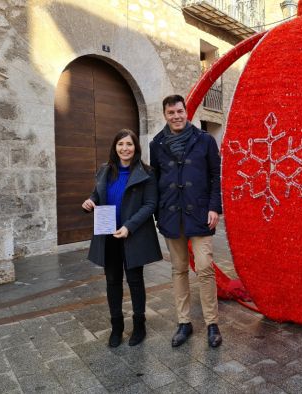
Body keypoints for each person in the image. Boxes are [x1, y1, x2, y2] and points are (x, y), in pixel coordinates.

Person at [150, 94, 223, 348]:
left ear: (186, 112)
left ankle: (212, 323)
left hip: (200, 214)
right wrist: (159, 214)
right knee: (178, 269)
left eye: (180, 111)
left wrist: (214, 207)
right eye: (171, 113)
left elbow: (216, 176)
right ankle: (184, 322)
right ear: (165, 115)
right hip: (171, 215)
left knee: (204, 267)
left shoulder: (204, 140)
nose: (176, 116)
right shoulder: (156, 143)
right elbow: (155, 180)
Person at [83, 129, 162, 348]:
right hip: (109, 234)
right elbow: (97, 194)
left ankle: (139, 325)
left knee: (135, 281)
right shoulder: (105, 171)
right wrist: (90, 201)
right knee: (112, 282)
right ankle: (116, 328)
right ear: (115, 147)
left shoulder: (147, 172)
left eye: (129, 144)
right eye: (120, 144)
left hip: (132, 235)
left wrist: (129, 226)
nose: (124, 148)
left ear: (135, 147)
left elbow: (150, 204)